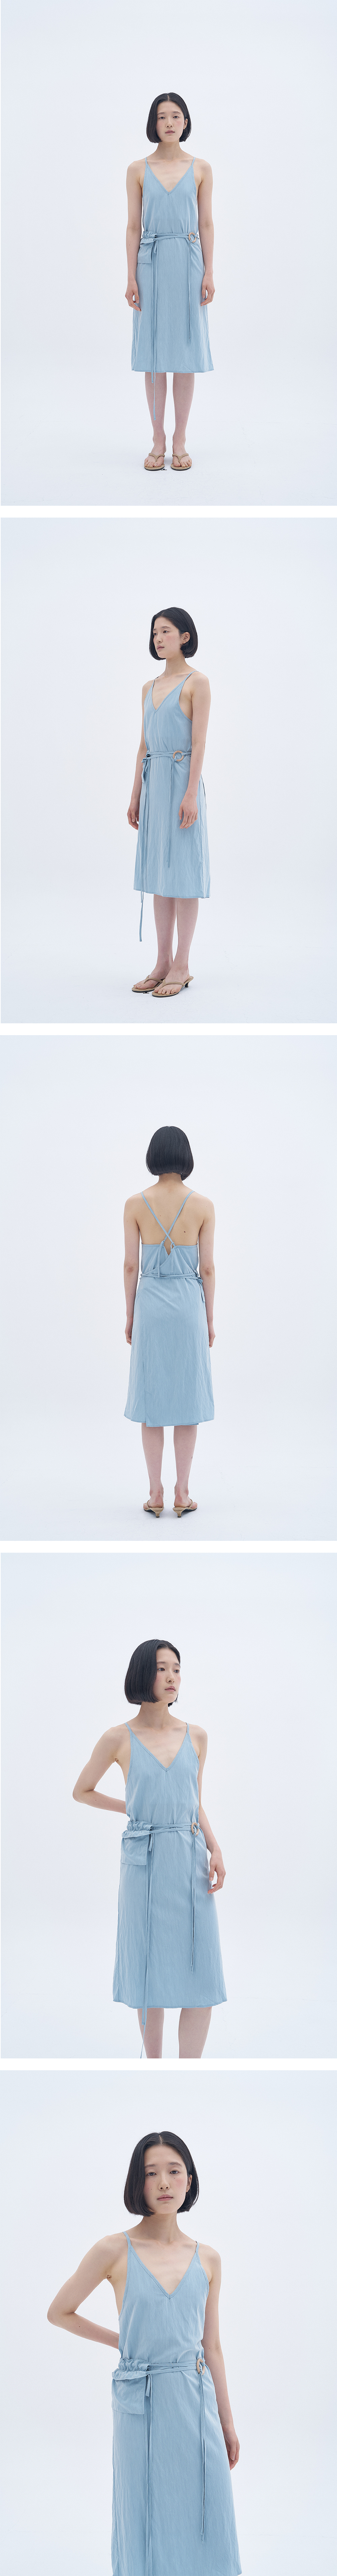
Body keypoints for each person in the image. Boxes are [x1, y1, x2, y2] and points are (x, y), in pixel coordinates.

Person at [47, 2128, 241, 2576]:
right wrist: (124, 2342)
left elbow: (212, 2345)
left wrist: (228, 2423)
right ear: (138, 2182)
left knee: (208, 2508)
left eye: (174, 2171)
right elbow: (60, 2312)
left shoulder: (209, 2258)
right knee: (144, 2509)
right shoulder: (113, 2249)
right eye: (152, 2173)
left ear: (190, 2179)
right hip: (141, 2400)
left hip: (195, 2400)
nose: (164, 2182)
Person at [73, 1638, 226, 2059]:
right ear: (143, 1673)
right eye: (162, 1668)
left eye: (177, 1668)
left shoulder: (197, 1735)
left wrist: (215, 1848)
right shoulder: (117, 1738)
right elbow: (82, 1791)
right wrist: (133, 1807)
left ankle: (188, 2073)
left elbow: (194, 1800)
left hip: (190, 1856)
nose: (172, 1676)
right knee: (148, 1969)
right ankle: (154, 2069)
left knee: (201, 1969)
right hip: (143, 1859)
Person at [123, 1124, 215, 1515]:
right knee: (187, 1400)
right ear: (186, 1157)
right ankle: (183, 1493)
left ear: (154, 1156)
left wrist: (131, 1315)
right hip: (188, 1307)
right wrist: (209, 1319)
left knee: (152, 1400)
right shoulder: (203, 1205)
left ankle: (155, 1494)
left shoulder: (135, 1204)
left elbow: (131, 1266)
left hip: (151, 1307)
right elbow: (207, 1269)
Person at [125, 92, 214, 470]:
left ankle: (180, 440)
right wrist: (131, 275)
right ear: (154, 124)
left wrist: (209, 271)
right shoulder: (137, 169)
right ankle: (157, 440)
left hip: (189, 262)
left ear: (186, 122)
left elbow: (206, 222)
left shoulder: (201, 168)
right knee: (154, 353)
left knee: (185, 352)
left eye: (176, 116)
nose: (169, 123)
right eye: (162, 117)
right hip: (151, 262)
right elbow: (133, 226)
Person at [128, 608, 210, 998]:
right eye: (155, 633)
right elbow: (144, 746)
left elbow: (199, 742)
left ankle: (183, 965)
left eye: (166, 631)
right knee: (159, 874)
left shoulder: (198, 682)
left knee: (183, 873)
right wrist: (135, 794)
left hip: (181, 783)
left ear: (185, 636)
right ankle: (162, 963)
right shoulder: (148, 687)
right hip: (154, 784)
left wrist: (191, 793)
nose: (159, 639)